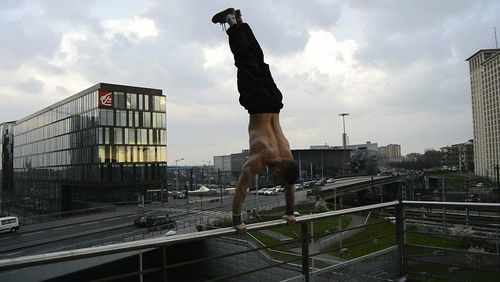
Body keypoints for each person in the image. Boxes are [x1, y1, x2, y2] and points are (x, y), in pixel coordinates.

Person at [212, 8, 300, 234]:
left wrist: (290, 210)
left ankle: (241, 21)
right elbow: (242, 188)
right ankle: (231, 21)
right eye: (278, 179)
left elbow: (290, 185)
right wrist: (236, 220)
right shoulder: (263, 157)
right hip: (257, 103)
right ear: (279, 172)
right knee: (245, 60)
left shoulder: (288, 156)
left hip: (275, 103)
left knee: (259, 60)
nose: (277, 181)